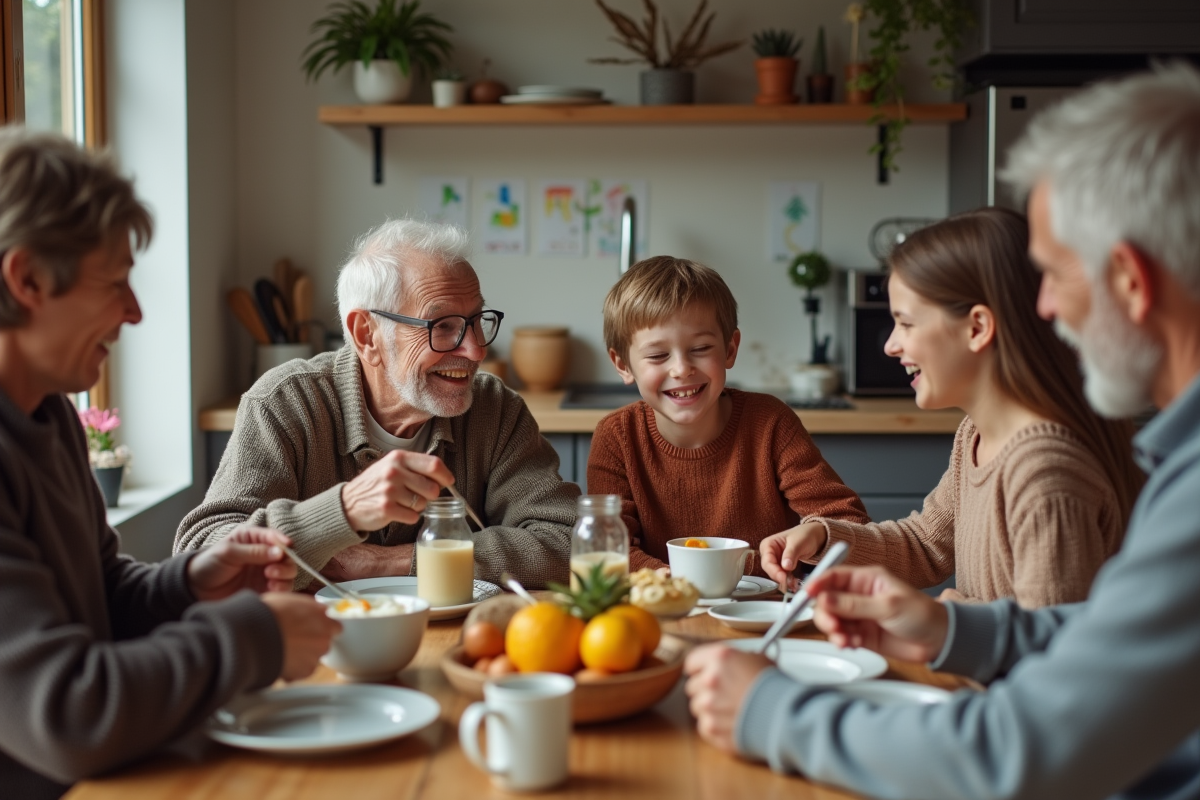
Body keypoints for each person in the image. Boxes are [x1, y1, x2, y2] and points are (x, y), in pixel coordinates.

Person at [684, 63, 1200, 800]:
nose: (1046, 308)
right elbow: (1098, 641)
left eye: (1057, 275)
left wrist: (769, 710)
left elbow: (1036, 738)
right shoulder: (1025, 443)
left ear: (1130, 280)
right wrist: (948, 626)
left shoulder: (1065, 471)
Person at [0, 129, 339, 800]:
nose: (134, 312)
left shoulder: (49, 414)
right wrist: (256, 635)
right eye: (114, 284)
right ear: (27, 278)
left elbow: (100, 597)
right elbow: (68, 712)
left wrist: (190, 583)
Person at [760, 208, 1143, 607]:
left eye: (906, 323)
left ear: (977, 328)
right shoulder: (976, 434)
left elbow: (1052, 637)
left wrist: (952, 617)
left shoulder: (1044, 473)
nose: (890, 345)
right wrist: (824, 538)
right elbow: (926, 545)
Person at [176, 219, 579, 589]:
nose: (475, 351)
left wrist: (393, 562)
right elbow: (199, 555)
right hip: (321, 638)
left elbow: (570, 543)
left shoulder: (495, 409)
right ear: (366, 335)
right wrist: (340, 513)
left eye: (476, 321)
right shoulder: (285, 404)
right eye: (443, 326)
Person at [586, 255, 868, 576]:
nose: (681, 369)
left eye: (700, 349)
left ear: (730, 349)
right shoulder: (617, 436)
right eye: (658, 355)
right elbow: (606, 549)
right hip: (661, 601)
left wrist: (817, 534)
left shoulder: (770, 422)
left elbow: (849, 526)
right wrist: (670, 582)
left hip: (767, 603)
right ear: (623, 365)